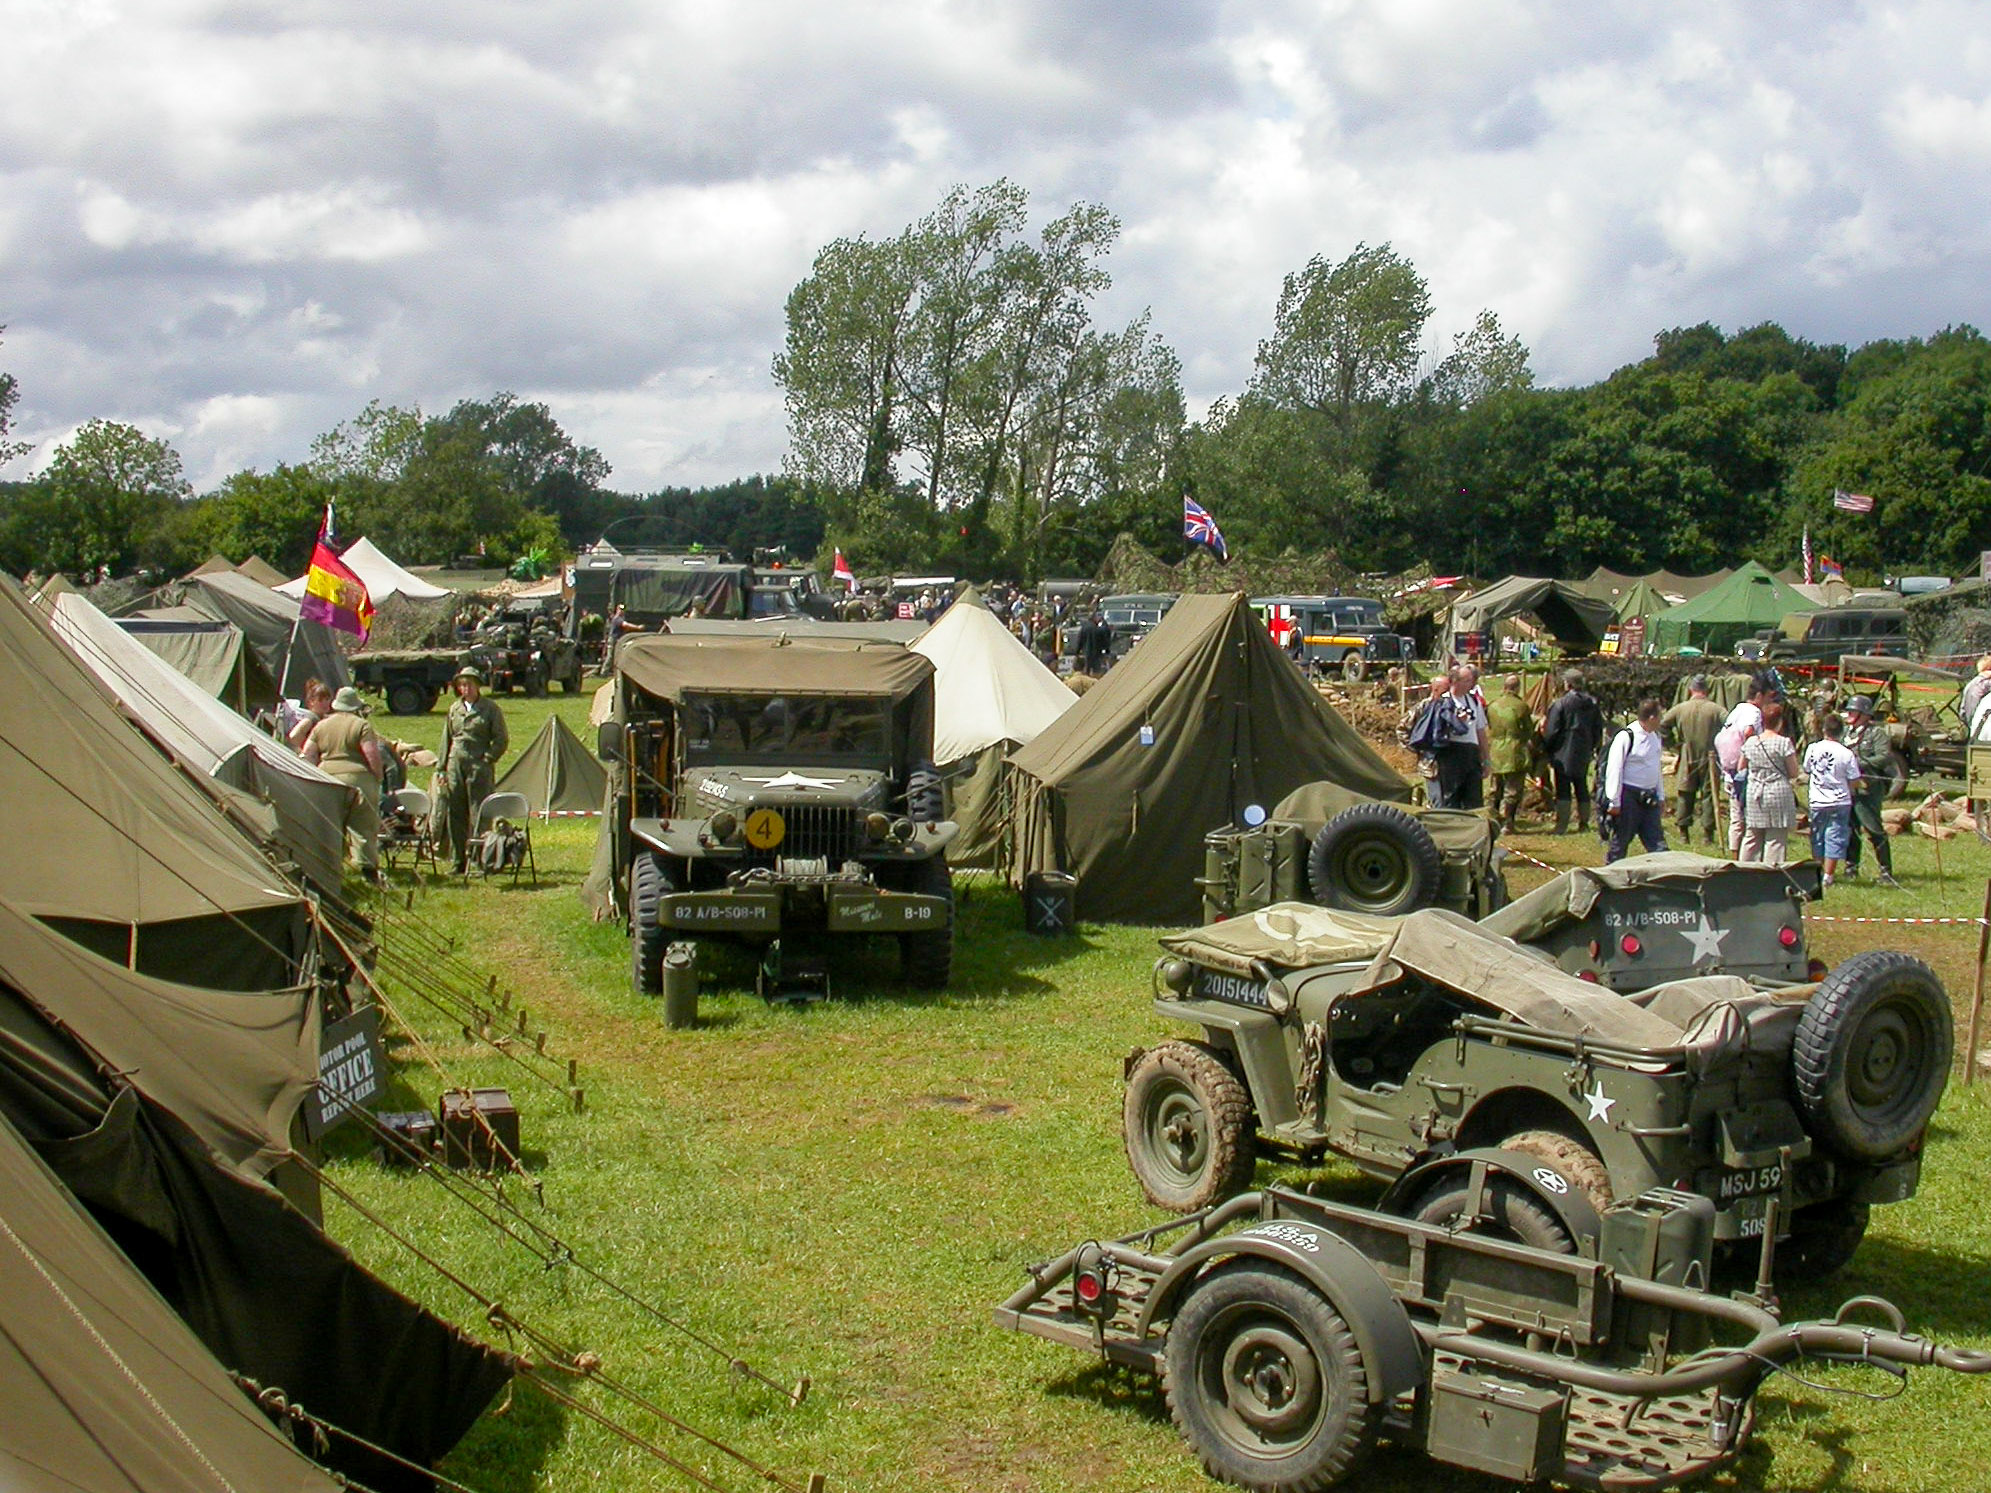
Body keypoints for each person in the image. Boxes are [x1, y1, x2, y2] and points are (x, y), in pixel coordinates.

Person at [301, 686, 385, 883]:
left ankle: (330, 868)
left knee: (330, 826)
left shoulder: (321, 726)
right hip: (359, 780)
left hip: (328, 780)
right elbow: (371, 754)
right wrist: (378, 776)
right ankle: (368, 871)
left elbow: (309, 753)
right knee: (364, 827)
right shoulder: (361, 725)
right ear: (355, 706)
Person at [435, 665, 510, 874]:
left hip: (479, 764)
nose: (465, 688)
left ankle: (479, 858)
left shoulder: (490, 709)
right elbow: (446, 739)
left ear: (477, 686)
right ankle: (458, 859)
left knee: (479, 813)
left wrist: (488, 758)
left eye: (469, 684)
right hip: (455, 763)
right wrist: (441, 768)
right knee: (455, 812)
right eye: (461, 685)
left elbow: (501, 739)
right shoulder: (454, 709)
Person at [1841, 696, 1901, 887]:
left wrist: (1857, 763)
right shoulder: (1845, 732)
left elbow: (1884, 757)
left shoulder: (1876, 734)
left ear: (1864, 715)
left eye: (1853, 711)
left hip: (1868, 787)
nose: (1849, 714)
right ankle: (1851, 867)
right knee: (1850, 829)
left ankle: (1885, 871)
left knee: (1873, 829)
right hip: (1846, 787)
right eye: (1848, 710)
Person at [1660, 675, 1725, 846]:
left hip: (1687, 754)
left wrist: (1673, 745)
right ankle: (1707, 835)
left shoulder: (1680, 709)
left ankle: (1683, 833)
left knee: (1685, 794)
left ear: (1691, 689)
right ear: (1707, 691)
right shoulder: (1717, 709)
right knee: (1709, 795)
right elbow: (1731, 726)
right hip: (1710, 756)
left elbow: (1662, 725)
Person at [1603, 698, 1668, 863]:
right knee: (1621, 842)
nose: (1661, 720)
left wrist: (1660, 796)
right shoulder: (1626, 737)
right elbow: (1614, 769)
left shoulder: (1655, 737)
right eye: (1659, 716)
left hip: (1649, 797)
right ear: (1652, 718)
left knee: (1658, 844)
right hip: (1628, 797)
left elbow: (1656, 767)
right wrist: (1614, 800)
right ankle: (1610, 876)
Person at [1719, 674, 1777, 856]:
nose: (1769, 701)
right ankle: (1745, 856)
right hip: (1744, 770)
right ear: (1759, 695)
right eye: (1768, 696)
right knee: (1749, 817)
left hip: (1728, 768)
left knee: (1736, 816)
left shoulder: (1737, 709)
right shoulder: (1754, 713)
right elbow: (1749, 732)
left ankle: (1734, 854)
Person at [1802, 713, 1862, 887]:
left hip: (1817, 800)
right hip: (1840, 801)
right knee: (1834, 836)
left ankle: (1818, 870)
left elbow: (1807, 769)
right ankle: (1828, 874)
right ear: (1841, 732)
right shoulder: (1846, 753)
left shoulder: (1812, 749)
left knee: (1818, 836)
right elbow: (1854, 780)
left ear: (1823, 730)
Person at [1738, 701, 1801, 865]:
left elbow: (1741, 766)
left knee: (1752, 835)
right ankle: (1771, 871)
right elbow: (1794, 772)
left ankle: (1744, 869)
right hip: (1778, 791)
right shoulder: (1784, 743)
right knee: (1776, 837)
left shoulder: (1750, 742)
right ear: (1780, 721)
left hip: (1755, 791)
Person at [1542, 669, 1604, 834]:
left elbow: (1552, 730)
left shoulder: (1560, 704)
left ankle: (1562, 825)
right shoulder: (1592, 703)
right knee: (1581, 786)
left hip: (1562, 751)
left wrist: (1547, 748)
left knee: (1563, 788)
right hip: (1583, 751)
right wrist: (1592, 746)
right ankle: (1584, 823)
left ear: (1567, 684)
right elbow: (1598, 729)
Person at [1483, 673, 1535, 830]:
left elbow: (1489, 726)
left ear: (1503, 687)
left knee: (1495, 788)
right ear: (1517, 688)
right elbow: (1528, 730)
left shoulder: (1492, 705)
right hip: (1515, 750)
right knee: (1513, 789)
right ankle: (1508, 821)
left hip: (1496, 750)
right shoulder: (1521, 706)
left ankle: (1492, 819)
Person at [1431, 666, 1486, 810]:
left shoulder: (1474, 701)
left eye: (1471, 680)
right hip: (1451, 754)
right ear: (1455, 681)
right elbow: (1437, 731)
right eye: (1467, 680)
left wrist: (1486, 759)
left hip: (1471, 753)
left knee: (1474, 798)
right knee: (1451, 798)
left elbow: (1481, 731)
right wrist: (1455, 722)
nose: (1471, 684)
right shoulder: (1443, 702)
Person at [285, 679, 333, 752]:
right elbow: (293, 736)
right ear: (312, 702)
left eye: (327, 699)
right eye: (320, 700)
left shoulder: (324, 718)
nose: (325, 703)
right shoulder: (310, 719)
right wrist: (302, 752)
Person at [1962, 654, 1991, 728]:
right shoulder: (1986, 684)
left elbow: (1963, 712)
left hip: (1970, 725)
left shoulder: (1972, 683)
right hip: (1983, 727)